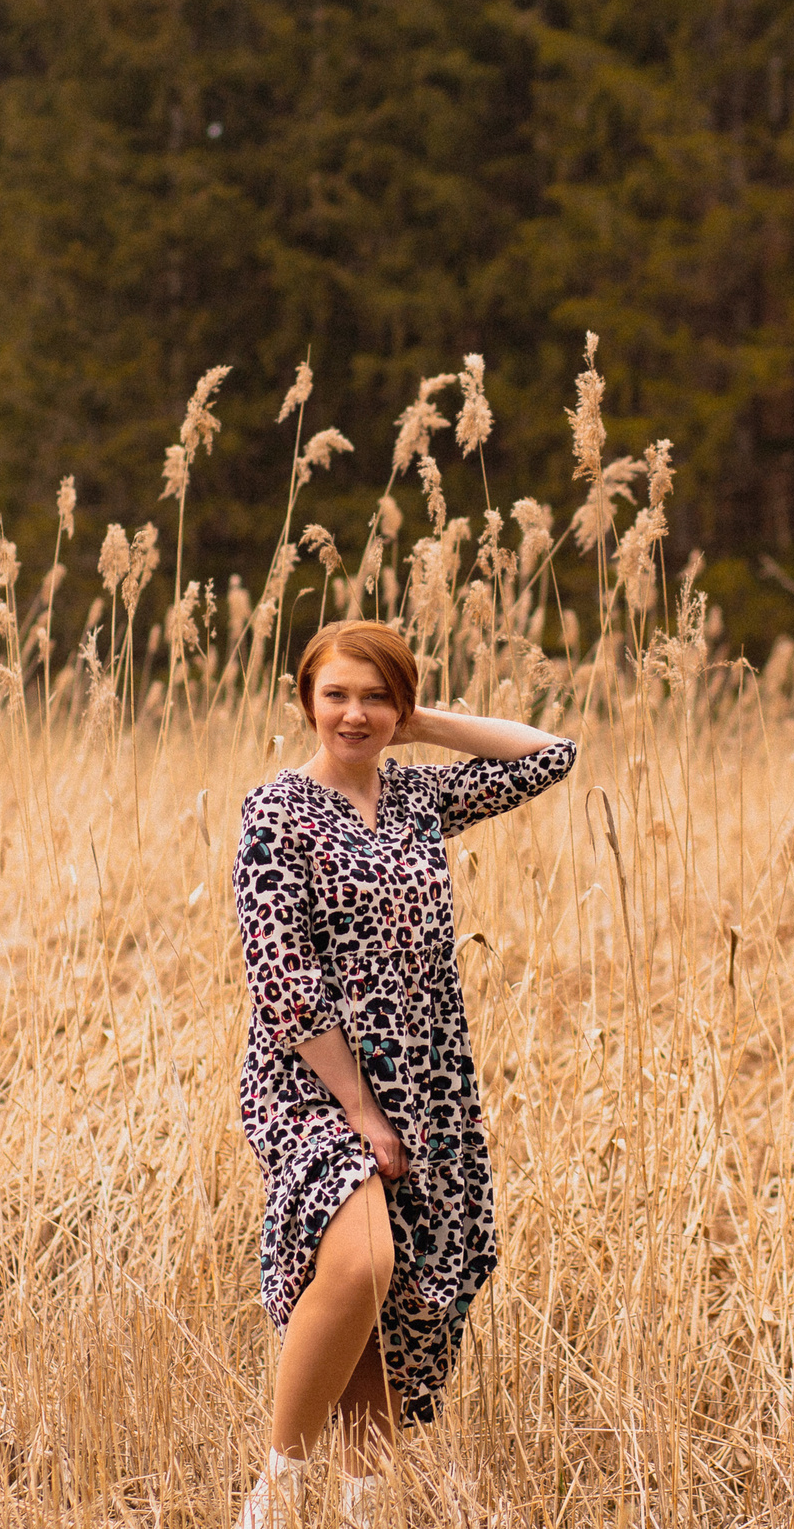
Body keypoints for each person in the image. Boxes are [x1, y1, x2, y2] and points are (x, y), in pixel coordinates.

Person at [231, 620, 577, 1525]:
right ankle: (275, 1491)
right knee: (363, 1261)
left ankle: (362, 1499)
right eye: (337, 693)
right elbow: (285, 982)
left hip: (427, 1079)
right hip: (313, 1079)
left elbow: (550, 755)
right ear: (304, 699)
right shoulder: (275, 812)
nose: (355, 713)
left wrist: (424, 724)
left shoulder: (419, 797)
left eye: (376, 696)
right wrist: (362, 1113)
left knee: (412, 1284)